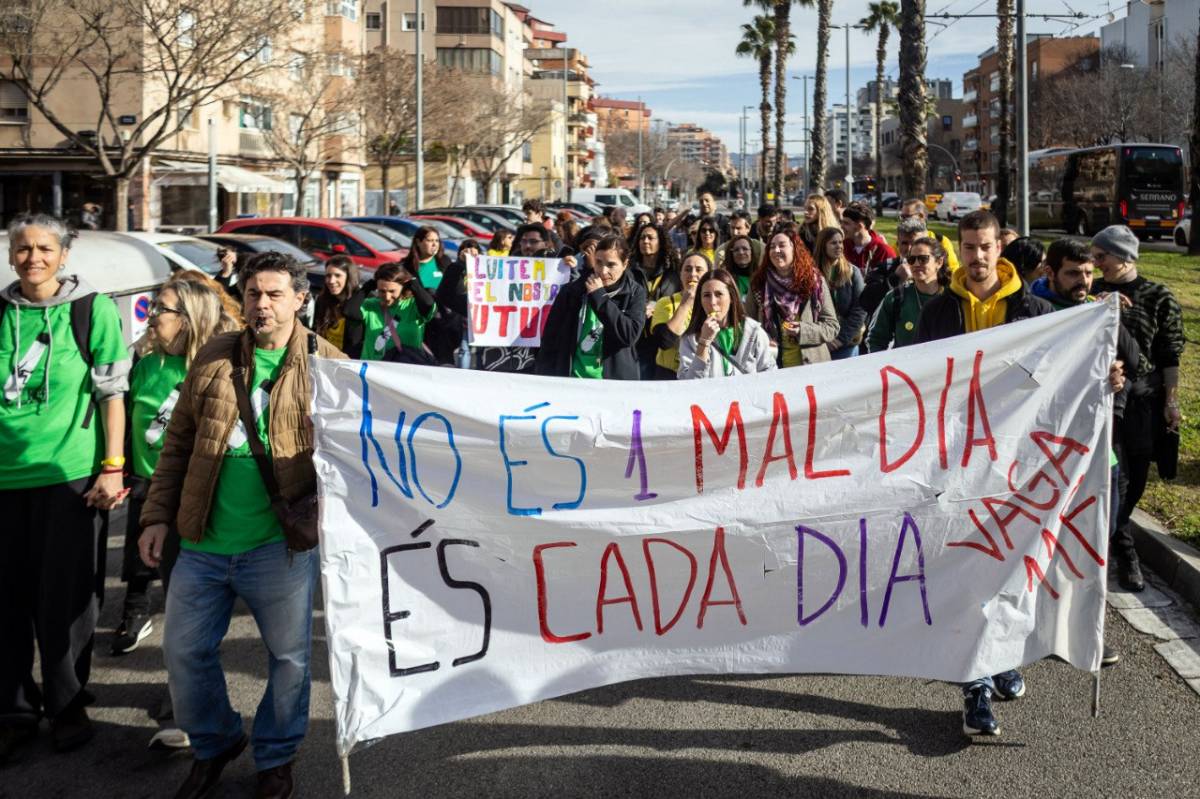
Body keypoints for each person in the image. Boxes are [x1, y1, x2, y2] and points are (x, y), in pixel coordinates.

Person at [139, 251, 343, 798]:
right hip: (203, 539)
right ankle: (215, 742)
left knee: (290, 661)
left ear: (300, 299)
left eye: (275, 294)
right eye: (254, 293)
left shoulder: (329, 365)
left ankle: (276, 758)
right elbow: (178, 443)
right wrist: (156, 516)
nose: (262, 304)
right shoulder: (214, 355)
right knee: (183, 652)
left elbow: (355, 453)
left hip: (279, 546)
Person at [913, 210, 1114, 740]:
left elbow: (1068, 378)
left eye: (985, 246)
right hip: (958, 466)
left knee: (1009, 568)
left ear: (998, 248)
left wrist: (1107, 377)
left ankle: (999, 656)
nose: (977, 256)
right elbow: (919, 382)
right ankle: (975, 684)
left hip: (1018, 465)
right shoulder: (938, 312)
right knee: (966, 571)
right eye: (969, 247)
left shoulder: (1035, 311)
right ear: (958, 250)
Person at [0, 213, 130, 761]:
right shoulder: (0, 312)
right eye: (23, 248)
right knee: (6, 602)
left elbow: (112, 394)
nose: (33, 258)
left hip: (69, 476)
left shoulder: (90, 310)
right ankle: (13, 709)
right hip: (5, 479)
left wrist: (113, 466)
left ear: (63, 255)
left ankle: (68, 703)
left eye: (44, 248)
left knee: (67, 598)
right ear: (11, 255)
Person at [113, 279, 240, 661]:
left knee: (187, 590)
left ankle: (188, 673)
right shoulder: (145, 364)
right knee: (141, 558)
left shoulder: (216, 368)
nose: (151, 316)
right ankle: (135, 612)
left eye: (161, 310)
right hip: (146, 484)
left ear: (187, 318)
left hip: (194, 492)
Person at [1034, 238, 1143, 650]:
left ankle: (1078, 628)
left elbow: (1134, 362)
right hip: (1048, 448)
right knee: (1049, 539)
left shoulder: (1097, 308)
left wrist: (1110, 316)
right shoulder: (1034, 312)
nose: (1082, 281)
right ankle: (1053, 627)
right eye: (1072, 274)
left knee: (1098, 532)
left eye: (1088, 273)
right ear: (1050, 273)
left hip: (1098, 446)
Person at [1091, 225, 1185, 593]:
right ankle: (1126, 552)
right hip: (1105, 402)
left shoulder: (1158, 296)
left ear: (1125, 256)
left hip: (1145, 403)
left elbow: (1170, 354)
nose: (1097, 263)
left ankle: (1120, 537)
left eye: (1102, 256)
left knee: (1138, 480)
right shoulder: (1094, 292)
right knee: (1118, 477)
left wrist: (1171, 401)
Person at [535, 233, 646, 380]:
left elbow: (629, 335)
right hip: (573, 378)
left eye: (611, 265)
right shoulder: (572, 290)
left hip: (614, 382)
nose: (603, 271)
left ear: (625, 264)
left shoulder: (634, 292)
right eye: (598, 262)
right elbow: (550, 338)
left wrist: (599, 296)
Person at [744, 226, 839, 367]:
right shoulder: (759, 284)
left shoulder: (814, 281)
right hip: (773, 366)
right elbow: (748, 326)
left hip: (813, 366)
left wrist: (803, 330)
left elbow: (832, 327)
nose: (776, 250)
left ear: (795, 249)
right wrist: (763, 339)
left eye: (782, 245)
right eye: (772, 247)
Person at [678, 269, 776, 378]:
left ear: (731, 298)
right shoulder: (690, 339)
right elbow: (688, 384)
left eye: (719, 294)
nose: (712, 302)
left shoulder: (753, 332)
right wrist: (704, 343)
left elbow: (770, 376)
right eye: (706, 295)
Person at [866, 235, 949, 352]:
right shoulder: (896, 297)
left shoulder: (953, 297)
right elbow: (875, 339)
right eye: (911, 259)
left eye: (923, 259)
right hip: (904, 363)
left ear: (939, 262)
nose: (916, 264)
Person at [648, 252, 711, 379]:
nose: (692, 274)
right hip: (669, 376)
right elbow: (664, 342)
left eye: (699, 270)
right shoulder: (665, 303)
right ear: (680, 274)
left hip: (705, 373)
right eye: (687, 269)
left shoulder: (713, 304)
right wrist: (685, 305)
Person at [813, 226, 866, 360]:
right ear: (823, 246)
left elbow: (860, 309)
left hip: (846, 345)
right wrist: (822, 339)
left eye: (840, 242)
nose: (839, 246)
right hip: (818, 345)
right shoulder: (811, 274)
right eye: (833, 243)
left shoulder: (853, 272)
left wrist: (840, 339)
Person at [859, 215, 925, 320]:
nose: (909, 248)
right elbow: (865, 302)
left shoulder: (936, 269)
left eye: (914, 243)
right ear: (898, 244)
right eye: (904, 243)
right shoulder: (886, 266)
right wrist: (893, 280)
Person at [434, 238, 482, 369]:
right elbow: (445, 294)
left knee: (481, 351)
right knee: (464, 349)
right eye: (466, 252)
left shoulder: (484, 270)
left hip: (480, 318)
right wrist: (461, 263)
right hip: (463, 316)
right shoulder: (456, 269)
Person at [311, 254, 362, 355]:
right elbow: (316, 331)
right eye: (328, 276)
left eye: (337, 275)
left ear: (349, 277)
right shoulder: (322, 300)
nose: (331, 281)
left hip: (349, 360)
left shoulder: (360, 301)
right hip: (324, 357)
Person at [898, 198, 960, 270]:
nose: (903, 220)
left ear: (921, 216)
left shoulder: (941, 241)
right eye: (902, 217)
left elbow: (952, 270)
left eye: (907, 217)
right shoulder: (899, 243)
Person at [841, 201, 896, 274]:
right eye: (842, 222)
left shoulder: (883, 251)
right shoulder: (841, 247)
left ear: (860, 226)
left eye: (846, 223)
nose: (841, 226)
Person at [404, 225, 451, 291]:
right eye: (430, 240)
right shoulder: (406, 267)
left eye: (437, 240)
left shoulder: (445, 261)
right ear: (418, 242)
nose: (434, 244)